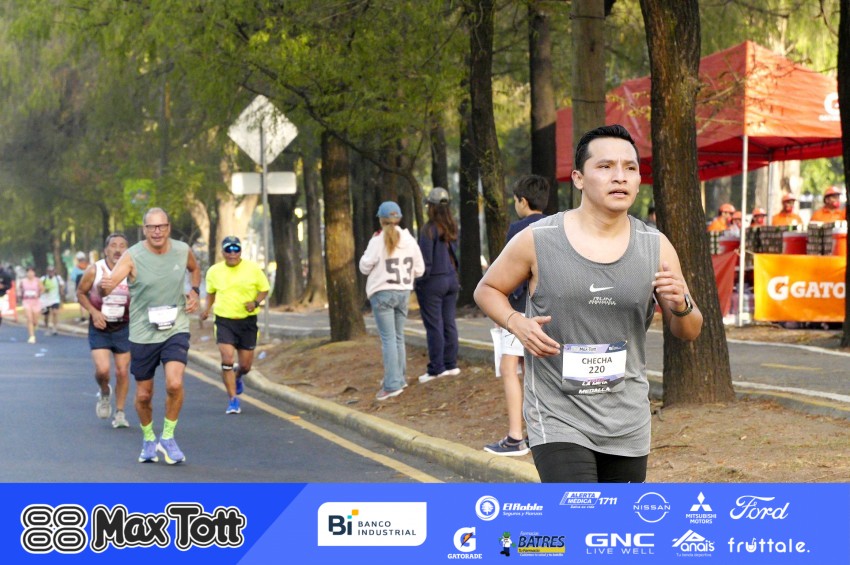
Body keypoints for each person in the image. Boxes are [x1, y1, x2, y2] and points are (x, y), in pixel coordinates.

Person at [474, 124, 703, 483]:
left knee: (615, 519)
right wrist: (516, 322)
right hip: (558, 415)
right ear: (578, 178)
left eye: (630, 168)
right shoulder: (539, 239)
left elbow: (688, 330)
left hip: (626, 418)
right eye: (605, 166)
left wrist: (682, 305)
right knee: (579, 510)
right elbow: (487, 289)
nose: (620, 177)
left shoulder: (655, 246)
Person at [99, 207, 201, 465]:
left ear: (168, 227)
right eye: (151, 227)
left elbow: (194, 269)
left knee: (174, 384)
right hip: (143, 333)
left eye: (161, 226)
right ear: (144, 230)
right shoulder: (132, 256)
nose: (157, 231)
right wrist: (105, 287)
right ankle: (148, 439)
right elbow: (109, 286)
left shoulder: (182, 250)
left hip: (176, 327)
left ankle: (167, 437)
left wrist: (195, 291)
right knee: (144, 395)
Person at [483, 175, 548, 456]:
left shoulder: (519, 229)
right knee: (539, 371)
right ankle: (539, 433)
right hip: (548, 311)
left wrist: (502, 312)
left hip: (520, 311)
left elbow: (511, 275)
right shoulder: (555, 224)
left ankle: (515, 437)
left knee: (510, 367)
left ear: (522, 201)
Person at [359, 202, 425, 400]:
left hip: (382, 293)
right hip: (403, 292)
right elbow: (420, 269)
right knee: (398, 337)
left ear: (380, 219)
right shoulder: (409, 240)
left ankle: (392, 384)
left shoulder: (377, 241)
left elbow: (364, 267)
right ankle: (399, 378)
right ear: (399, 218)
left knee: (388, 339)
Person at [200, 235, 270, 414]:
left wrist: (255, 302)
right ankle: (233, 400)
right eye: (228, 250)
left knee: (245, 366)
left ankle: (238, 375)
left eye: (236, 249)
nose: (232, 253)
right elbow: (211, 293)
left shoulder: (253, 269)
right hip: (224, 321)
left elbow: (264, 289)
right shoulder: (214, 271)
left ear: (240, 251)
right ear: (222, 252)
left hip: (247, 322)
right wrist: (206, 309)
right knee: (227, 359)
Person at [76, 233, 132, 429]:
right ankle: (105, 392)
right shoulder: (95, 270)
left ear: (127, 250)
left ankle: (120, 413)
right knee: (103, 370)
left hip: (124, 327)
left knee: (122, 371)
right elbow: (80, 293)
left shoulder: (132, 271)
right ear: (106, 250)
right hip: (100, 328)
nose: (118, 249)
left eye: (122, 245)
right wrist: (93, 312)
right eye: (113, 245)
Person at [414, 187, 461, 383]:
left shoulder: (429, 230)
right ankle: (451, 365)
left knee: (434, 325)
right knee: (449, 323)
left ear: (431, 207)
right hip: (452, 280)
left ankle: (436, 368)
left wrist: (418, 282)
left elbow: (425, 262)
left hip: (433, 281)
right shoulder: (452, 227)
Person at [19, 267, 44, 344]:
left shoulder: (37, 280)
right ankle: (32, 336)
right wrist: (20, 294)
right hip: (26, 301)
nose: (30, 274)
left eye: (32, 272)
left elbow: (42, 289)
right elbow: (20, 289)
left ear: (34, 273)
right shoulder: (23, 281)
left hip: (35, 301)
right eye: (29, 272)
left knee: (35, 320)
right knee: (29, 318)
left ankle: (34, 326)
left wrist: (38, 294)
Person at [40, 266, 64, 335]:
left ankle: (54, 328)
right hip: (45, 300)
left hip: (55, 299)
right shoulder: (43, 278)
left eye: (52, 271)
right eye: (49, 271)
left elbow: (62, 285)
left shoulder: (58, 278)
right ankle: (46, 327)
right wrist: (44, 290)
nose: (51, 273)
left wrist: (61, 292)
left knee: (55, 312)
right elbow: (39, 287)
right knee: (46, 315)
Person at [70, 251, 90, 323]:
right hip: (89, 287)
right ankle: (90, 315)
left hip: (80, 287)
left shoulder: (76, 268)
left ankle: (83, 316)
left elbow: (73, 278)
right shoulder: (89, 266)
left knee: (82, 302)